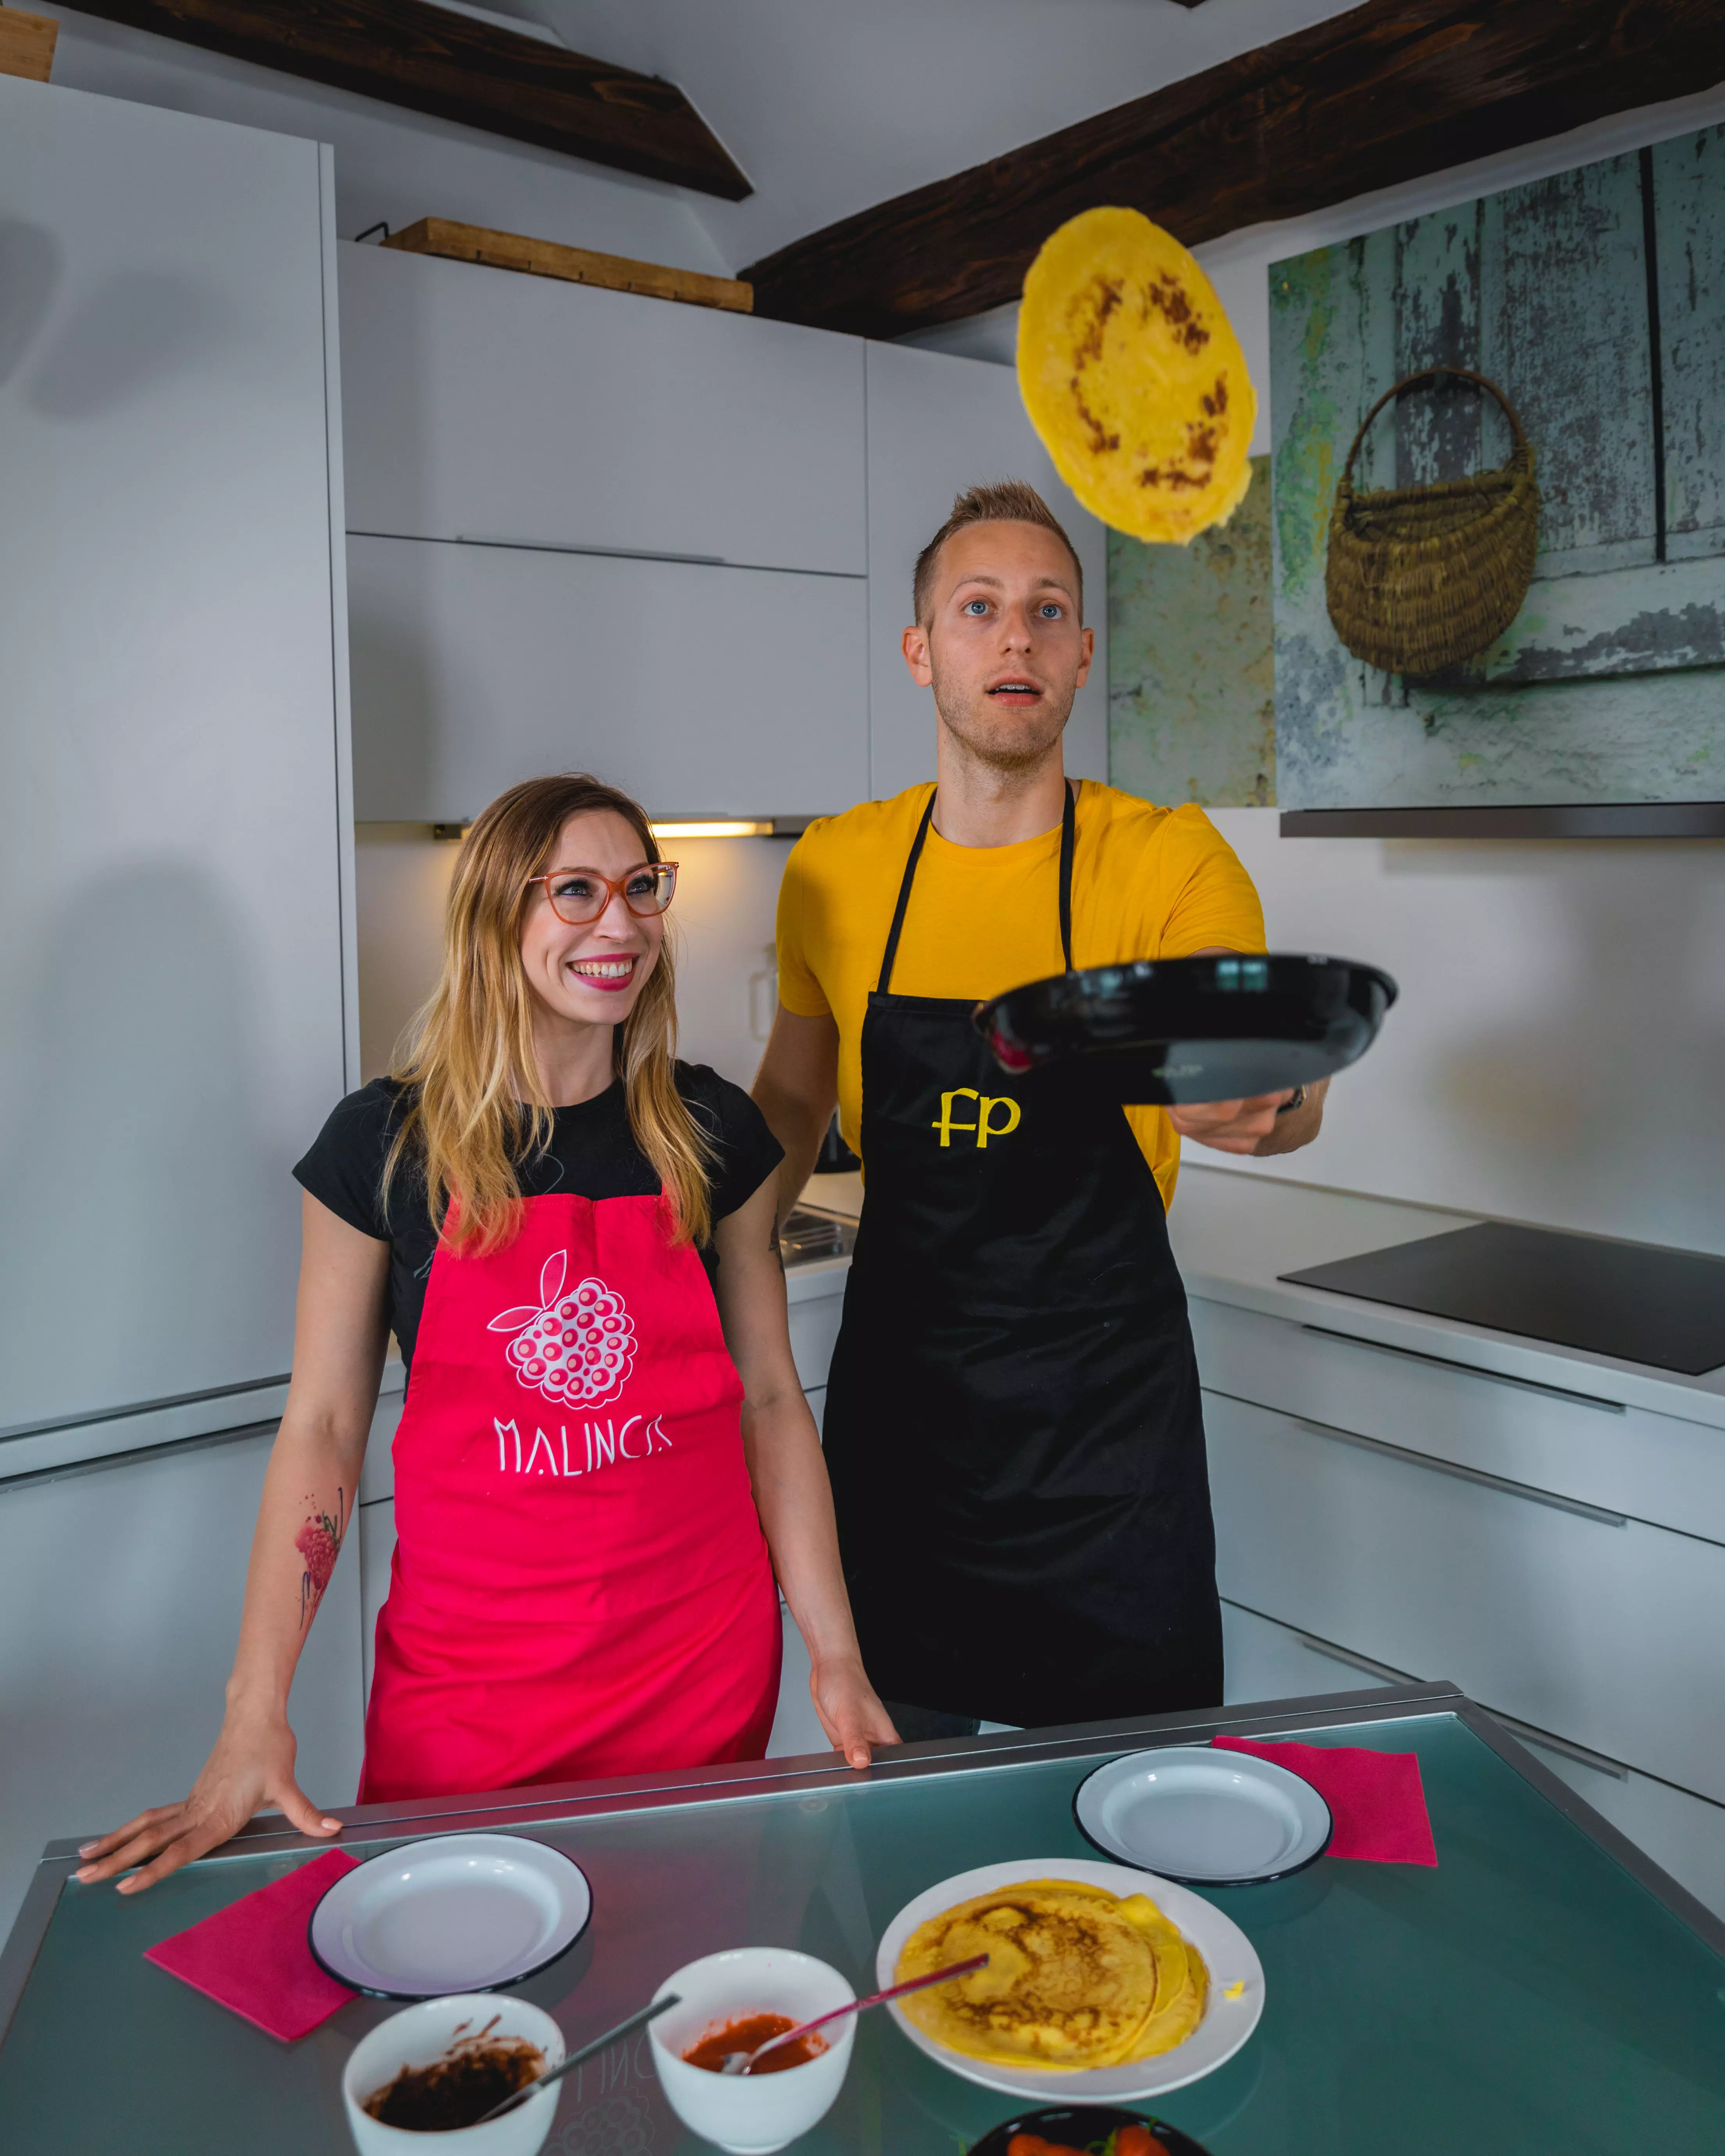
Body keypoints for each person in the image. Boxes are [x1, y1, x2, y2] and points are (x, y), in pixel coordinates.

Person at [80, 773, 895, 1894]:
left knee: (677, 1980)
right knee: (459, 2008)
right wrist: (252, 1712)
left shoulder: (712, 1132)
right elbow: (320, 1429)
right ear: (495, 917)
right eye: (575, 891)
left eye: (641, 887)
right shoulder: (384, 1147)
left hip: (696, 1665)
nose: (621, 923)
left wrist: (837, 1656)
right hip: (469, 1691)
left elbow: (768, 1403)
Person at [752, 482, 1327, 1742]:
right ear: (922, 652)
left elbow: (1259, 1070)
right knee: (903, 1815)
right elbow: (794, 1094)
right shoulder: (837, 869)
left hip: (1107, 1449)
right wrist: (717, 1245)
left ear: (1079, 654)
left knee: (1138, 1818)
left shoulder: (1168, 860)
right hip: (907, 1433)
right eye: (979, 609)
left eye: (1046, 611)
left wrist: (1275, 1105)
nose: (1015, 637)